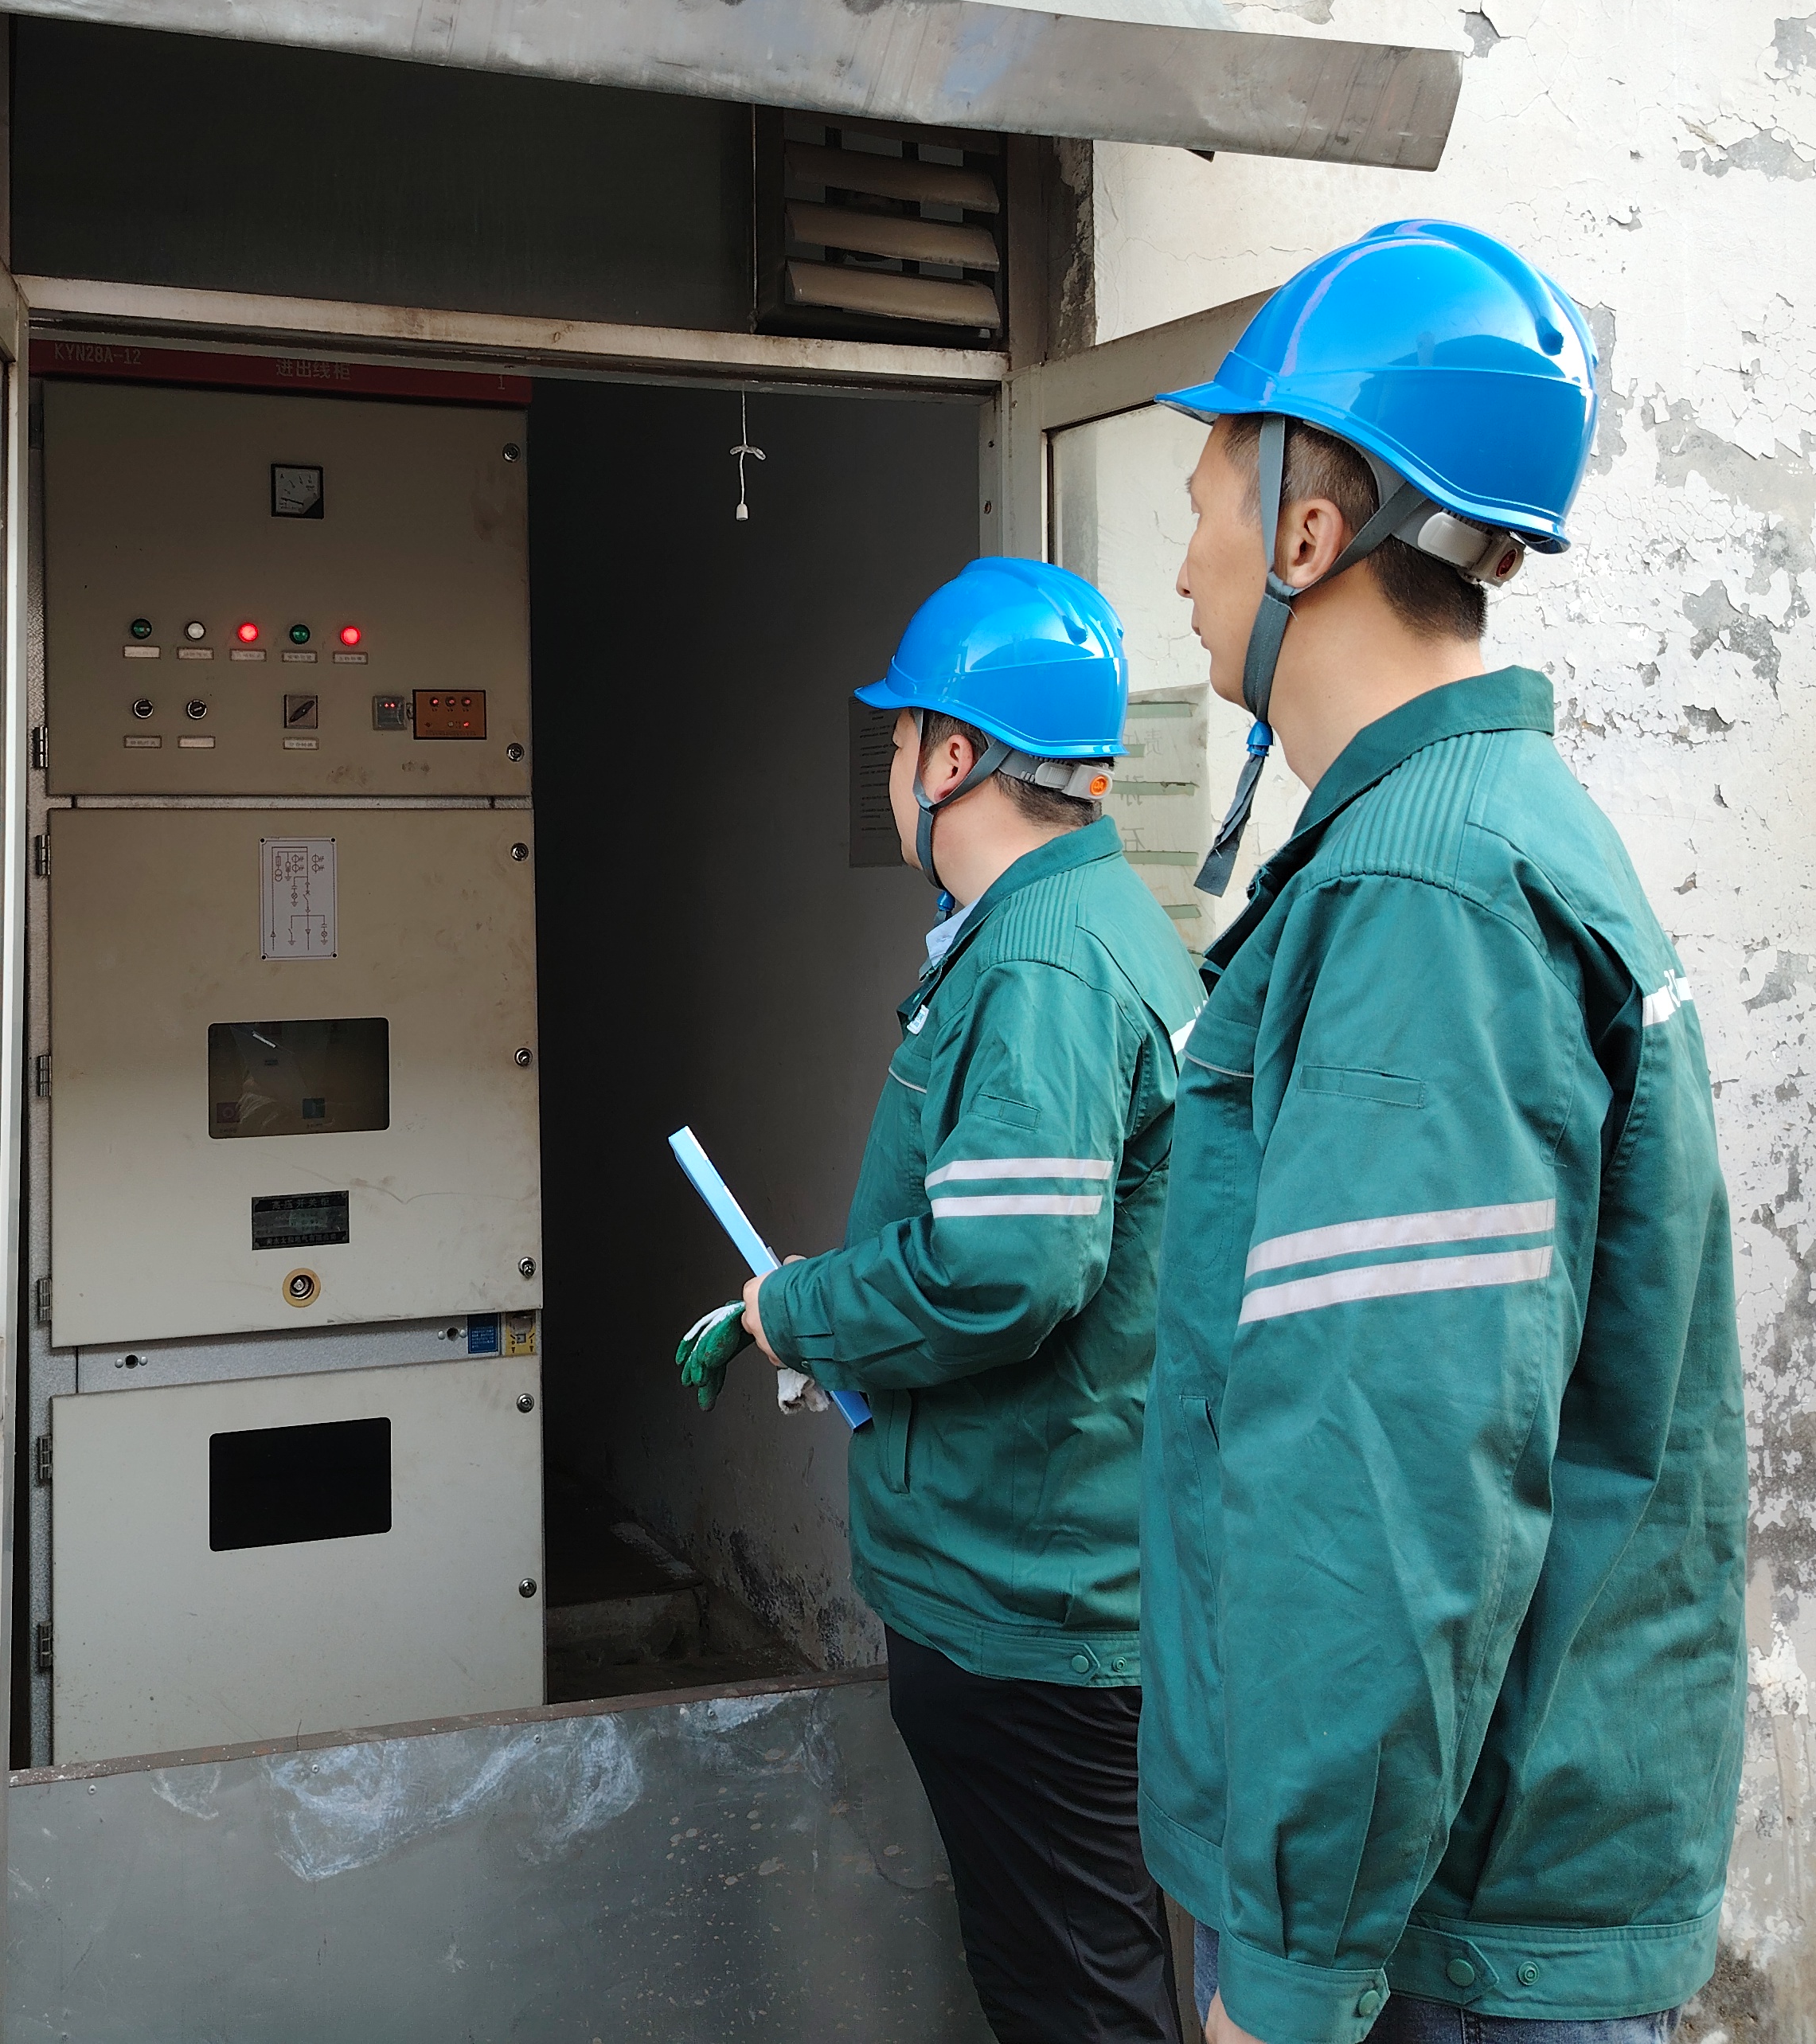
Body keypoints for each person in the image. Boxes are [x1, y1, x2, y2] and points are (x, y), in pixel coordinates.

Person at [1135, 221, 1744, 2044]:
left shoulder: (1425, 899)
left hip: (1430, 1945)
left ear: (1304, 537)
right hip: (1454, 1904)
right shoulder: (1475, 836)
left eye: (1202, 507)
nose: (1179, 567)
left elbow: (1384, 1482)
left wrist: (1292, 1968)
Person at [678, 558, 1205, 2044]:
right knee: (1073, 1968)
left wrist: (796, 1311)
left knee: (1072, 1992)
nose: (893, 758)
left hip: (1031, 1602)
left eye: (901, 732)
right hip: (1055, 1561)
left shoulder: (1040, 963)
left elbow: (1006, 1268)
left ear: (955, 756)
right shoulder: (1087, 923)